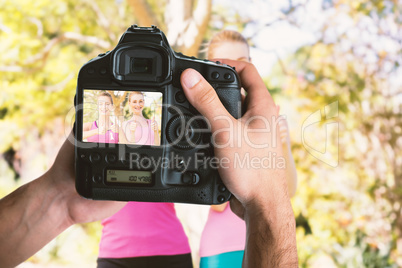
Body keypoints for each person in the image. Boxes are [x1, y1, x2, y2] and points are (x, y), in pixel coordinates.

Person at [0, 59, 298, 268]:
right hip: (117, 249)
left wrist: (58, 199)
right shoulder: (112, 126)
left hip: (169, 247)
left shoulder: (145, 126)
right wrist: (268, 203)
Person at [199, 30, 298, 268]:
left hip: (270, 244)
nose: (233, 72)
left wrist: (283, 144)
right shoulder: (202, 119)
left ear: (250, 65)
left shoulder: (266, 113)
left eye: (241, 62)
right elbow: (216, 202)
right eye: (223, 65)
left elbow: (288, 192)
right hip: (220, 248)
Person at [96, 92, 190, 268]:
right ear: (129, 104)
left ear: (143, 103)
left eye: (140, 101)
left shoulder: (155, 127)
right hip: (116, 250)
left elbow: (161, 160)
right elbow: (123, 157)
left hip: (170, 248)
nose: (137, 104)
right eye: (134, 101)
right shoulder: (120, 128)